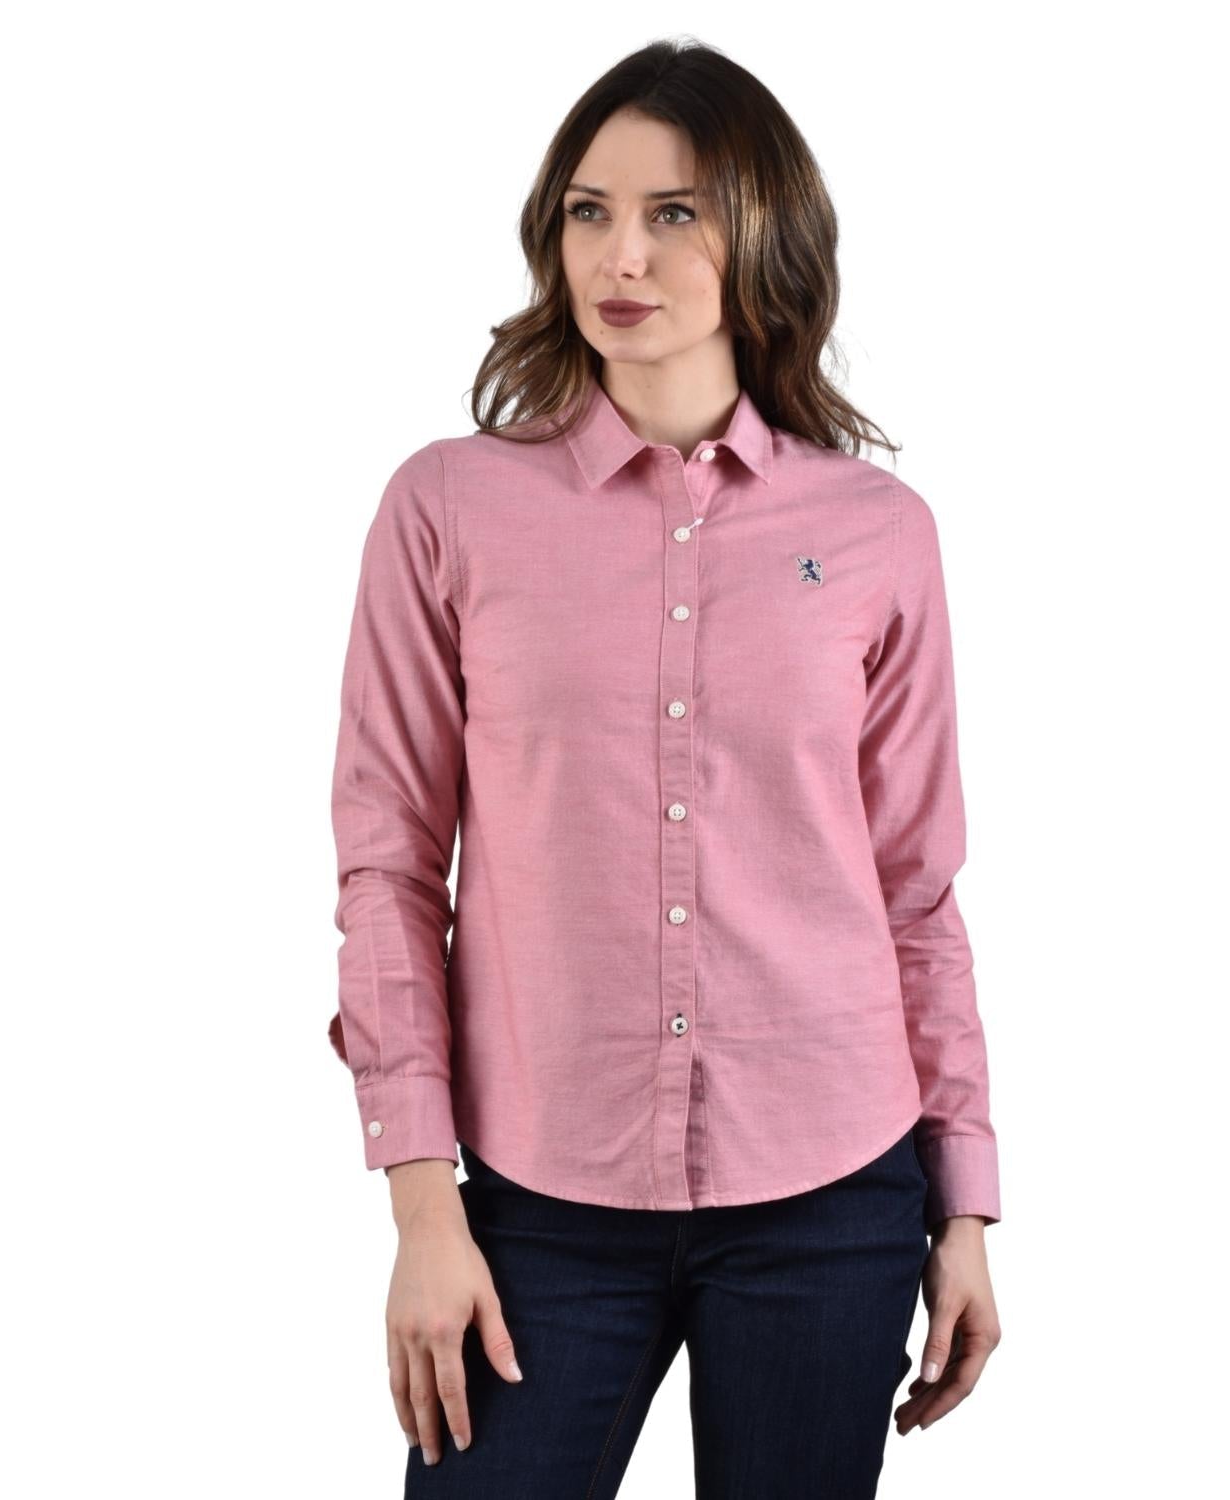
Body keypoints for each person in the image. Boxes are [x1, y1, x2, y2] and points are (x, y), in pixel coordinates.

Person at [327, 38, 1002, 1499]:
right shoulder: (447, 512)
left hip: (833, 1188)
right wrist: (422, 1206)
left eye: (673, 212)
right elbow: (388, 870)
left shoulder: (879, 534)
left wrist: (965, 1204)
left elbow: (915, 893)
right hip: (538, 1199)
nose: (619, 255)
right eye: (589, 211)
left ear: (763, 236)